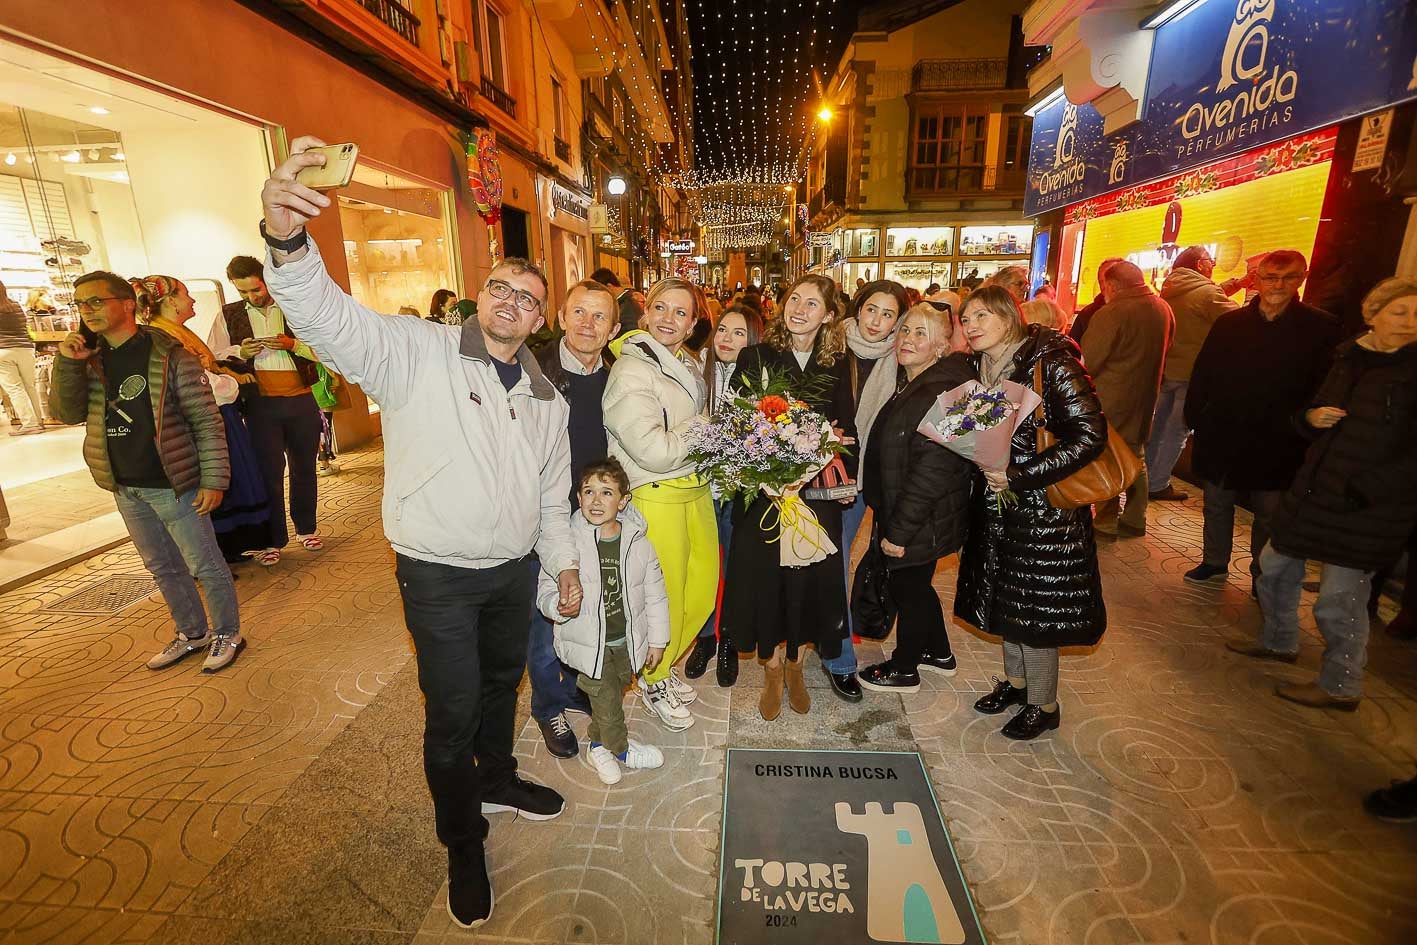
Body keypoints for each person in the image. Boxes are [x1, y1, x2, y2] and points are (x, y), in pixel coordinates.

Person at [259, 136, 580, 929]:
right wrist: (286, 242)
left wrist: (562, 568)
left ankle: (499, 778)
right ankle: (461, 838)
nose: (511, 301)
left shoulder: (548, 399)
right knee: (451, 710)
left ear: (540, 319)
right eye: (500, 286)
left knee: (503, 687)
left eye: (527, 296)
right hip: (436, 571)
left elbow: (552, 494)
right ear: (480, 295)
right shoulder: (417, 353)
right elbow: (328, 319)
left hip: (511, 573)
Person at [1234, 278, 1417, 710]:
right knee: (1274, 567)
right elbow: (1312, 413)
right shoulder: (1350, 357)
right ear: (1373, 314)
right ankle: (1279, 641)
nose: (1411, 322)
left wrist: (1366, 490)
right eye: (1400, 311)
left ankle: (1341, 685)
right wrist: (1309, 418)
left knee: (1339, 600)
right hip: (1318, 491)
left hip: (1367, 506)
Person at [52, 271, 242, 673]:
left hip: (175, 483)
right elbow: (66, 413)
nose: (87, 311)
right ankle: (192, 633)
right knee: (161, 566)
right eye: (81, 304)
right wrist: (67, 364)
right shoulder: (90, 358)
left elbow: (206, 421)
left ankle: (228, 634)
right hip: (125, 484)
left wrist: (213, 479)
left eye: (96, 301)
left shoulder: (170, 353)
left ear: (126, 304)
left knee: (204, 563)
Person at [954, 286, 1107, 740]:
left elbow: (1089, 435)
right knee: (1007, 600)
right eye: (966, 320)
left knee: (1036, 613)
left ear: (1009, 317)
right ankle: (1017, 684)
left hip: (1045, 512)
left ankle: (1045, 704)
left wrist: (1019, 475)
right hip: (998, 507)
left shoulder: (1050, 363)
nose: (972, 326)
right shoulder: (981, 367)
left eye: (982, 316)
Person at [724, 274, 856, 722]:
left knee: (807, 584)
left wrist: (815, 471)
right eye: (793, 300)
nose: (799, 309)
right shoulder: (755, 355)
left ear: (830, 315)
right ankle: (772, 667)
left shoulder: (839, 362)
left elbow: (844, 430)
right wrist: (764, 475)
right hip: (763, 493)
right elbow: (736, 427)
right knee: (766, 584)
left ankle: (797, 662)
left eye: (812, 304)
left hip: (812, 495)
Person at [1182, 250, 1342, 589]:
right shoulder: (1231, 324)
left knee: (1270, 512)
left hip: (1280, 436)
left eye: (1288, 278)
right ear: (1257, 280)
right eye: (1270, 277)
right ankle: (1214, 560)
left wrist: (1307, 426)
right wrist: (1195, 415)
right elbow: (1204, 372)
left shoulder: (1320, 327)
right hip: (1224, 430)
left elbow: (1325, 383)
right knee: (1217, 503)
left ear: (1301, 278)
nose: (1278, 285)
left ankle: (1262, 575)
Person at [602, 276, 717, 730]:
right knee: (662, 598)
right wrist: (702, 429)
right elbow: (651, 450)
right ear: (645, 314)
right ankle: (653, 677)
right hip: (655, 494)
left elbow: (679, 440)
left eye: (681, 313)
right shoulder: (631, 368)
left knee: (701, 589)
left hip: (693, 489)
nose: (670, 319)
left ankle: (663, 666)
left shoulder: (684, 362)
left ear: (692, 325)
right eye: (662, 309)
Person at [855, 306, 974, 692]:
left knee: (909, 591)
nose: (907, 339)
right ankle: (939, 652)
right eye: (904, 331)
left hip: (921, 517)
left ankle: (905, 667)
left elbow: (932, 471)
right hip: (912, 511)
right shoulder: (915, 382)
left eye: (920, 334)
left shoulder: (940, 391)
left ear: (941, 347)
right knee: (916, 587)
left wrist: (900, 532)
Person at [526, 279, 618, 758]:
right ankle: (547, 705)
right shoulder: (533, 372)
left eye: (599, 316)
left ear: (614, 327)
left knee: (586, 607)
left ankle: (574, 686)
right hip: (545, 512)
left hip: (595, 512)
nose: (588, 324)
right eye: (579, 313)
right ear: (562, 317)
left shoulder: (619, 376)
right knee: (545, 616)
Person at [541, 458, 669, 785]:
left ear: (623, 500)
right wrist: (558, 605)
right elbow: (545, 588)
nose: (596, 501)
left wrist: (657, 639)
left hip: (625, 641)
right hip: (588, 645)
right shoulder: (567, 545)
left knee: (615, 690)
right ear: (579, 497)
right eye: (589, 492)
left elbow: (655, 595)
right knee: (608, 702)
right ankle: (621, 749)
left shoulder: (639, 543)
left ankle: (598, 744)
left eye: (607, 492)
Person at [129, 275, 270, 564]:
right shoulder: (164, 337)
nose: (191, 300)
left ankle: (228, 548)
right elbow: (198, 381)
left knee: (229, 483)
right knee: (210, 486)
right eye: (185, 294)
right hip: (200, 419)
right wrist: (231, 384)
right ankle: (210, 557)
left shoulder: (177, 331)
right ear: (170, 301)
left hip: (215, 415)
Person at [825, 278, 910, 701]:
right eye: (871, 309)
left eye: (888, 313)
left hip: (858, 482)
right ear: (857, 308)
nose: (877, 321)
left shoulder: (902, 356)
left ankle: (838, 658)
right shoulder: (830, 344)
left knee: (837, 559)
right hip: (811, 471)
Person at [223, 255, 325, 566]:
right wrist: (241, 351)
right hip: (260, 403)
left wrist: (293, 345)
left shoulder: (294, 306)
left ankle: (306, 527)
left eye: (255, 289)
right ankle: (271, 539)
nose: (252, 297)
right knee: (268, 473)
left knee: (304, 467)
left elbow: (324, 350)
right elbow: (213, 354)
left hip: (302, 398)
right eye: (243, 292)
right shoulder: (228, 315)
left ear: (265, 280)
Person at [682, 303, 762, 688]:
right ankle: (704, 638)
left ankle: (728, 638)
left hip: (737, 493)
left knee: (734, 570)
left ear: (753, 340)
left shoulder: (760, 380)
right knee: (701, 566)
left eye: (739, 333)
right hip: (699, 489)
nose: (728, 339)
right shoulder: (696, 372)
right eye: (724, 330)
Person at [1081, 260, 1175, 537]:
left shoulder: (1113, 312)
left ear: (1112, 285)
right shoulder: (1162, 307)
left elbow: (1090, 361)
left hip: (1110, 399)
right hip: (1145, 398)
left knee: (1107, 457)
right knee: (1135, 455)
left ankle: (1106, 519)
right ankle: (1135, 517)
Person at [1147, 246, 1244, 503]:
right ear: (1200, 265)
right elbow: (1239, 319)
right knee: (1177, 431)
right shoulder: (1206, 294)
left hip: (1168, 370)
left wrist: (1237, 283)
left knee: (1157, 429)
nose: (1212, 265)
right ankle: (1157, 484)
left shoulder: (1172, 289)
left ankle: (1143, 478)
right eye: (1210, 261)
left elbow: (1205, 296)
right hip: (1192, 373)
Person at [0, 279, 44, 435]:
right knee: (29, 386)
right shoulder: (15, 306)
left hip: (3, 351)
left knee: (15, 389)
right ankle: (38, 421)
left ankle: (29, 423)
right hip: (25, 349)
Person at [1068, 257, 1124, 344]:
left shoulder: (1140, 311)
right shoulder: (1087, 314)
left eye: (1109, 280)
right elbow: (1072, 348)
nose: (1105, 286)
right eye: (1102, 281)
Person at [590, 267, 641, 338]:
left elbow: (629, 335)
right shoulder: (622, 302)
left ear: (609, 287)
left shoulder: (628, 305)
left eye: (599, 291)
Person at [311, 364, 340, 476]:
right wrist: (336, 378)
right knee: (324, 429)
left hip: (305, 393)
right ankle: (325, 465)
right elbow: (321, 357)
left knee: (316, 430)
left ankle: (321, 464)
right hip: (320, 391)